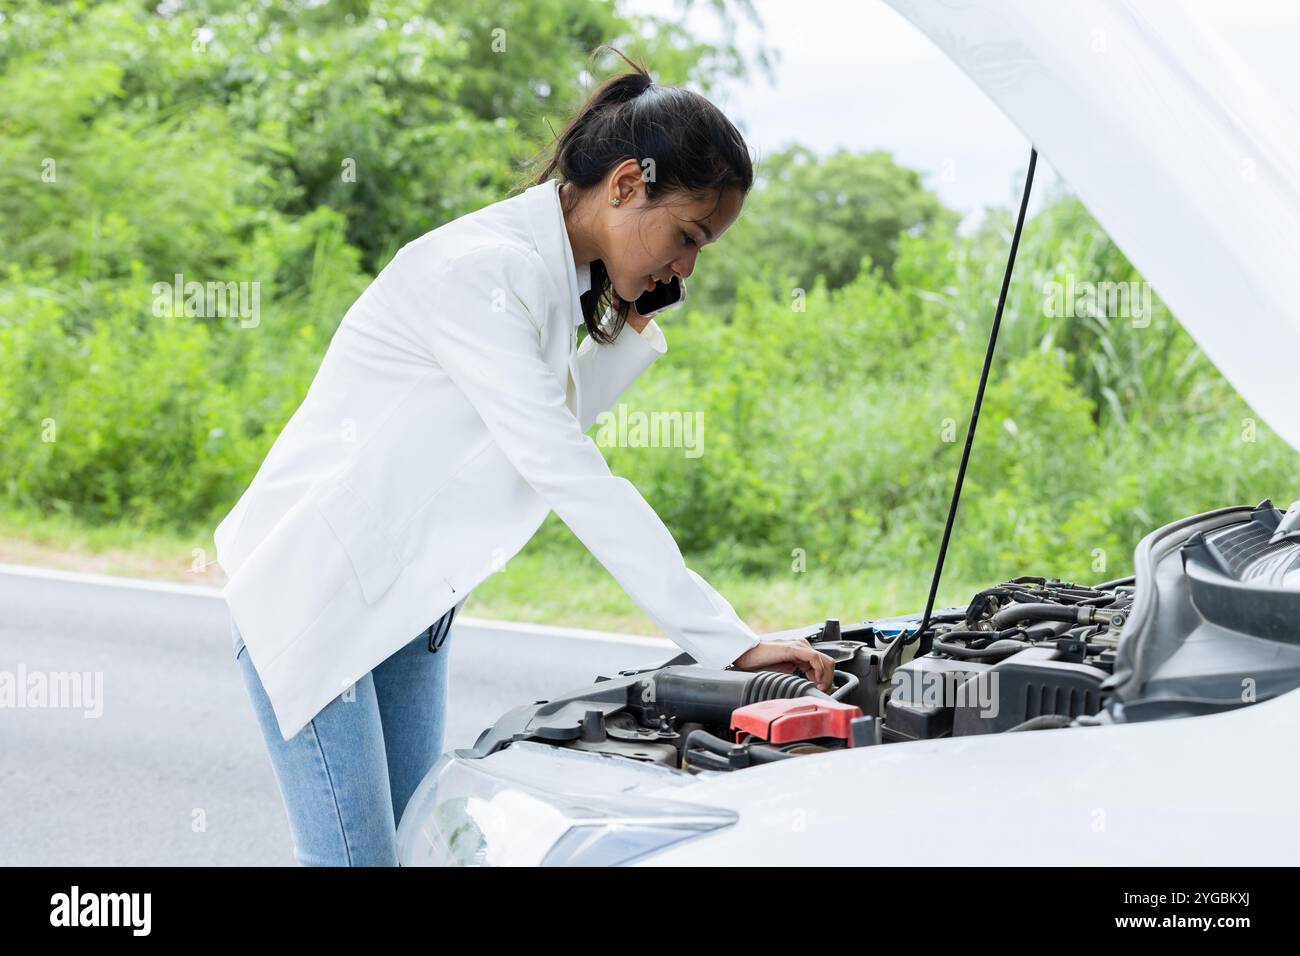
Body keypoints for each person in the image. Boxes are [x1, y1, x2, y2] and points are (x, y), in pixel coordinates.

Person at [219, 48, 835, 867]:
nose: (686, 268)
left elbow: (539, 432)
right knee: (358, 862)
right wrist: (729, 641)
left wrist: (630, 329)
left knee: (423, 852)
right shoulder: (486, 270)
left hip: (408, 613)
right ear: (625, 185)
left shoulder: (550, 274)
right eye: (687, 236)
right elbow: (563, 468)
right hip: (320, 595)